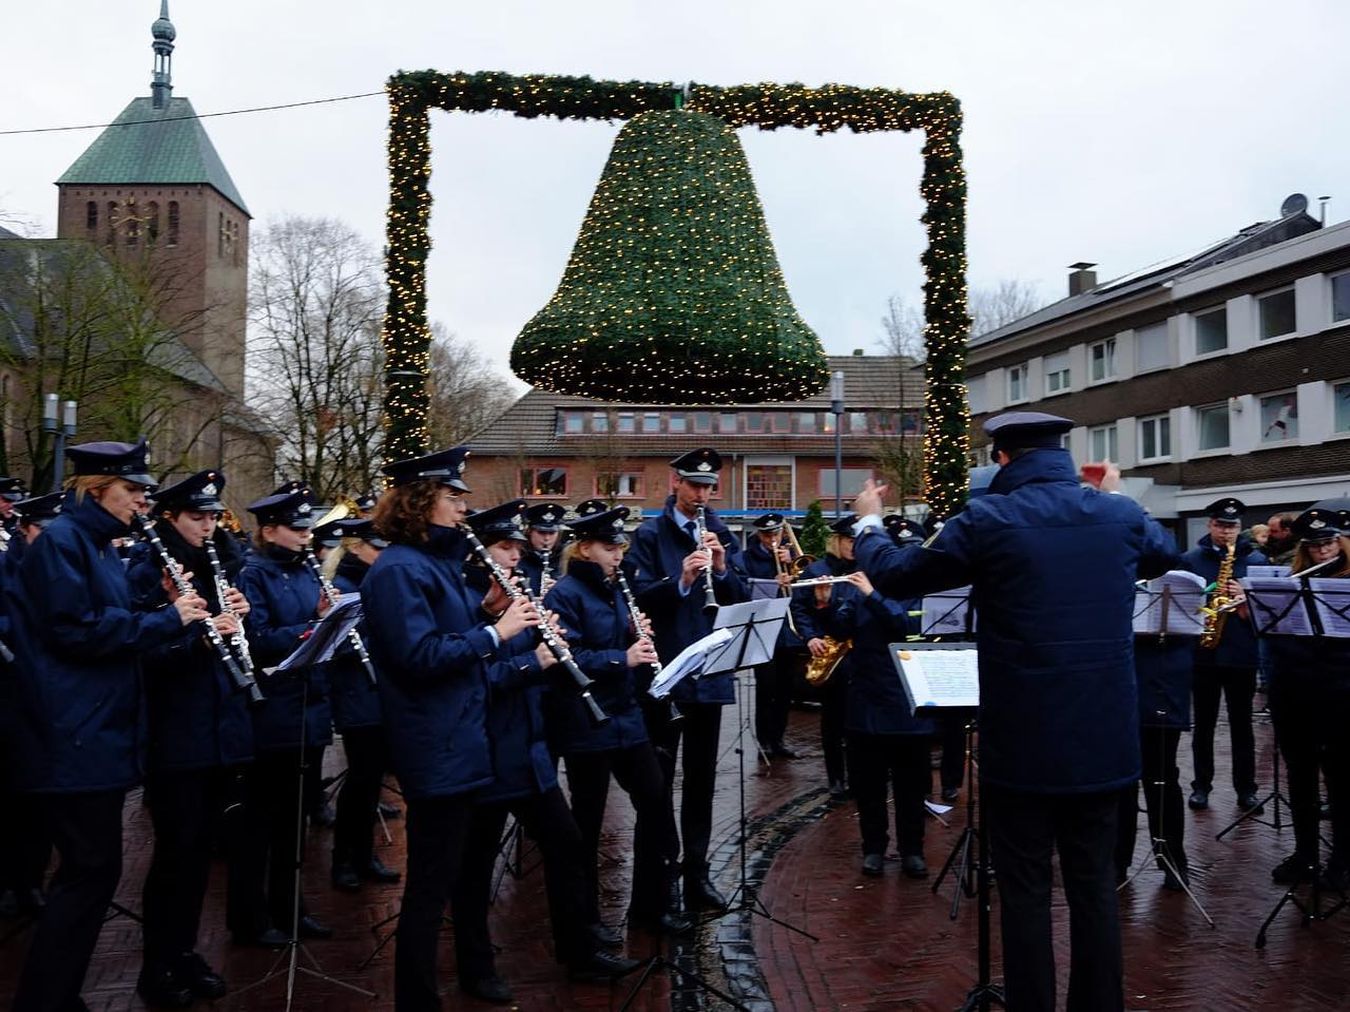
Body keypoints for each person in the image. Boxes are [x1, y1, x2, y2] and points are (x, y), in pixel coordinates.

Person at [851, 411, 1177, 1012]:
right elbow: (1163, 553)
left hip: (1023, 744)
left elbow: (895, 576)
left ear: (1002, 457)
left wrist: (870, 520)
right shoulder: (1119, 515)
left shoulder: (989, 519)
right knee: (1095, 888)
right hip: (1103, 742)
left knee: (1025, 892)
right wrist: (1114, 496)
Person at [7, 439, 210, 1012]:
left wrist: (163, 607)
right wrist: (167, 619)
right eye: (132, 490)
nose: (142, 501)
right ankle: (45, 999)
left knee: (92, 870)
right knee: (88, 870)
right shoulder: (64, 542)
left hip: (93, 730)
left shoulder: (93, 544)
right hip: (73, 732)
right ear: (96, 490)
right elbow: (76, 631)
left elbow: (107, 617)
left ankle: (56, 994)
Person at [359, 446, 543, 1012]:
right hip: (435, 743)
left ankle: (454, 980)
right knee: (428, 889)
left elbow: (447, 635)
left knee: (452, 875)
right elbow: (418, 656)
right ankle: (417, 1000)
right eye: (452, 496)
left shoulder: (433, 562)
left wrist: (486, 612)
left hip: (461, 739)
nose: (464, 507)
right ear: (420, 501)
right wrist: (495, 633)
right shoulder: (399, 570)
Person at [454, 502, 639, 1001]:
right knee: (475, 866)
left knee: (566, 844)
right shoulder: (464, 602)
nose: (515, 556)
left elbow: (540, 667)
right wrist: (532, 659)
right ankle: (475, 967)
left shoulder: (517, 596)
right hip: (488, 753)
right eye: (504, 547)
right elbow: (470, 681)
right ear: (478, 552)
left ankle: (579, 951)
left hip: (528, 749)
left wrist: (553, 648)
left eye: (517, 546)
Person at [126, 470, 255, 1006]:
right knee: (175, 853)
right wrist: (199, 639)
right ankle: (156, 964)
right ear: (171, 517)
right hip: (177, 731)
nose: (208, 526)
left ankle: (183, 951)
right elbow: (141, 653)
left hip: (219, 727)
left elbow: (227, 639)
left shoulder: (218, 562)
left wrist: (240, 621)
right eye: (197, 517)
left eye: (212, 517)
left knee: (201, 852)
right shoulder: (148, 569)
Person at [546, 505, 693, 936]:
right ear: (585, 548)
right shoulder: (566, 594)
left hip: (626, 714)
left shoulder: (616, 587)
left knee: (655, 800)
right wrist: (621, 656)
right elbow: (566, 658)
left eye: (620, 547)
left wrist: (634, 636)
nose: (618, 555)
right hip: (587, 720)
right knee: (587, 822)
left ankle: (651, 904)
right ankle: (587, 923)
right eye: (610, 548)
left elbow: (616, 641)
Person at [626, 448, 747, 913]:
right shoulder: (648, 535)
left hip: (709, 673)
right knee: (657, 785)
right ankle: (661, 881)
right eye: (694, 485)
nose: (702, 495)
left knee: (701, 781)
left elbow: (740, 596)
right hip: (667, 674)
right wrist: (680, 580)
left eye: (708, 487)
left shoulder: (720, 532)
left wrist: (721, 568)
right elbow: (635, 600)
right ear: (675, 482)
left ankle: (697, 873)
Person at [232, 487, 334, 947]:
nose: (305, 535)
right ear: (269, 530)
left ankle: (291, 908)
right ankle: (251, 916)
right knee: (262, 820)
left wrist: (333, 618)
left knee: (295, 821)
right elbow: (256, 639)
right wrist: (315, 627)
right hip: (272, 710)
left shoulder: (307, 569)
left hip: (309, 706)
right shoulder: (252, 574)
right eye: (296, 528)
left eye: (307, 527)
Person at [1265, 507, 1350, 889]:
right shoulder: (1290, 585)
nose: (1324, 552)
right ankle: (1306, 855)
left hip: (1340, 696)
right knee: (1299, 777)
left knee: (1341, 780)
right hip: (1295, 695)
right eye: (1315, 546)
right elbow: (1276, 639)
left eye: (1330, 542)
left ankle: (1343, 860)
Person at [834, 558, 933, 878]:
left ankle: (912, 850)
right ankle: (873, 848)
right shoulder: (857, 592)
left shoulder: (915, 591)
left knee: (910, 787)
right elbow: (840, 630)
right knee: (868, 786)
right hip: (866, 703)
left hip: (907, 703)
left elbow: (907, 627)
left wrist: (872, 595)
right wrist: (826, 604)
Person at [323, 518, 401, 893]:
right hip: (357, 693)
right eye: (376, 547)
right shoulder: (342, 586)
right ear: (355, 547)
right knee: (360, 781)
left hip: (380, 691)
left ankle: (364, 855)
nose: (383, 554)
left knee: (370, 783)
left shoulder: (376, 580)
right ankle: (344, 859)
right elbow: (335, 646)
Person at [1179, 497, 1266, 813]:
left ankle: (1246, 790)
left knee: (1243, 726)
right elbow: (1180, 605)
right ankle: (1201, 786)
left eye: (1232, 526)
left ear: (1240, 528)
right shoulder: (1190, 560)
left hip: (1241, 654)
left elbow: (1268, 613)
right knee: (1203, 725)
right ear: (1210, 525)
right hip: (1203, 654)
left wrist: (1246, 597)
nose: (1227, 532)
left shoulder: (1257, 561)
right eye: (1221, 525)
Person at [0, 493, 62, 921]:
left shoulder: (62, 568)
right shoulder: (8, 567)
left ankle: (32, 880)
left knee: (42, 800)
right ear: (24, 529)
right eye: (41, 529)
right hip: (11, 696)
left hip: (50, 696)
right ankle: (9, 881)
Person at [1115, 597, 1194, 891]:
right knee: (1120, 779)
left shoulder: (1177, 585)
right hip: (1120, 677)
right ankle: (1116, 859)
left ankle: (1172, 858)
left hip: (1163, 679)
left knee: (1162, 775)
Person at [790, 515, 858, 798]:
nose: (854, 546)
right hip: (831, 654)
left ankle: (858, 775)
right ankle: (836, 778)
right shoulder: (816, 571)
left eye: (858, 541)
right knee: (833, 719)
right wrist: (810, 636)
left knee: (857, 720)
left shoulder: (864, 570)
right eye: (850, 541)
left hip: (859, 654)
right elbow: (799, 608)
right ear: (837, 541)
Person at [740, 513, 800, 759]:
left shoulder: (790, 555)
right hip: (764, 632)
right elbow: (746, 591)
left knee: (785, 690)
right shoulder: (748, 558)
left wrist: (793, 565)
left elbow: (804, 587)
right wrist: (774, 583)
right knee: (766, 689)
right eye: (767, 535)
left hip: (788, 632)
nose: (772, 539)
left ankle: (778, 740)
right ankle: (764, 740)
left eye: (776, 534)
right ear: (759, 535)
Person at [516, 501, 567, 596]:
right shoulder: (517, 557)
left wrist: (561, 590)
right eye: (541, 532)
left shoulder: (567, 560)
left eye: (552, 533)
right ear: (530, 532)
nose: (547, 538)